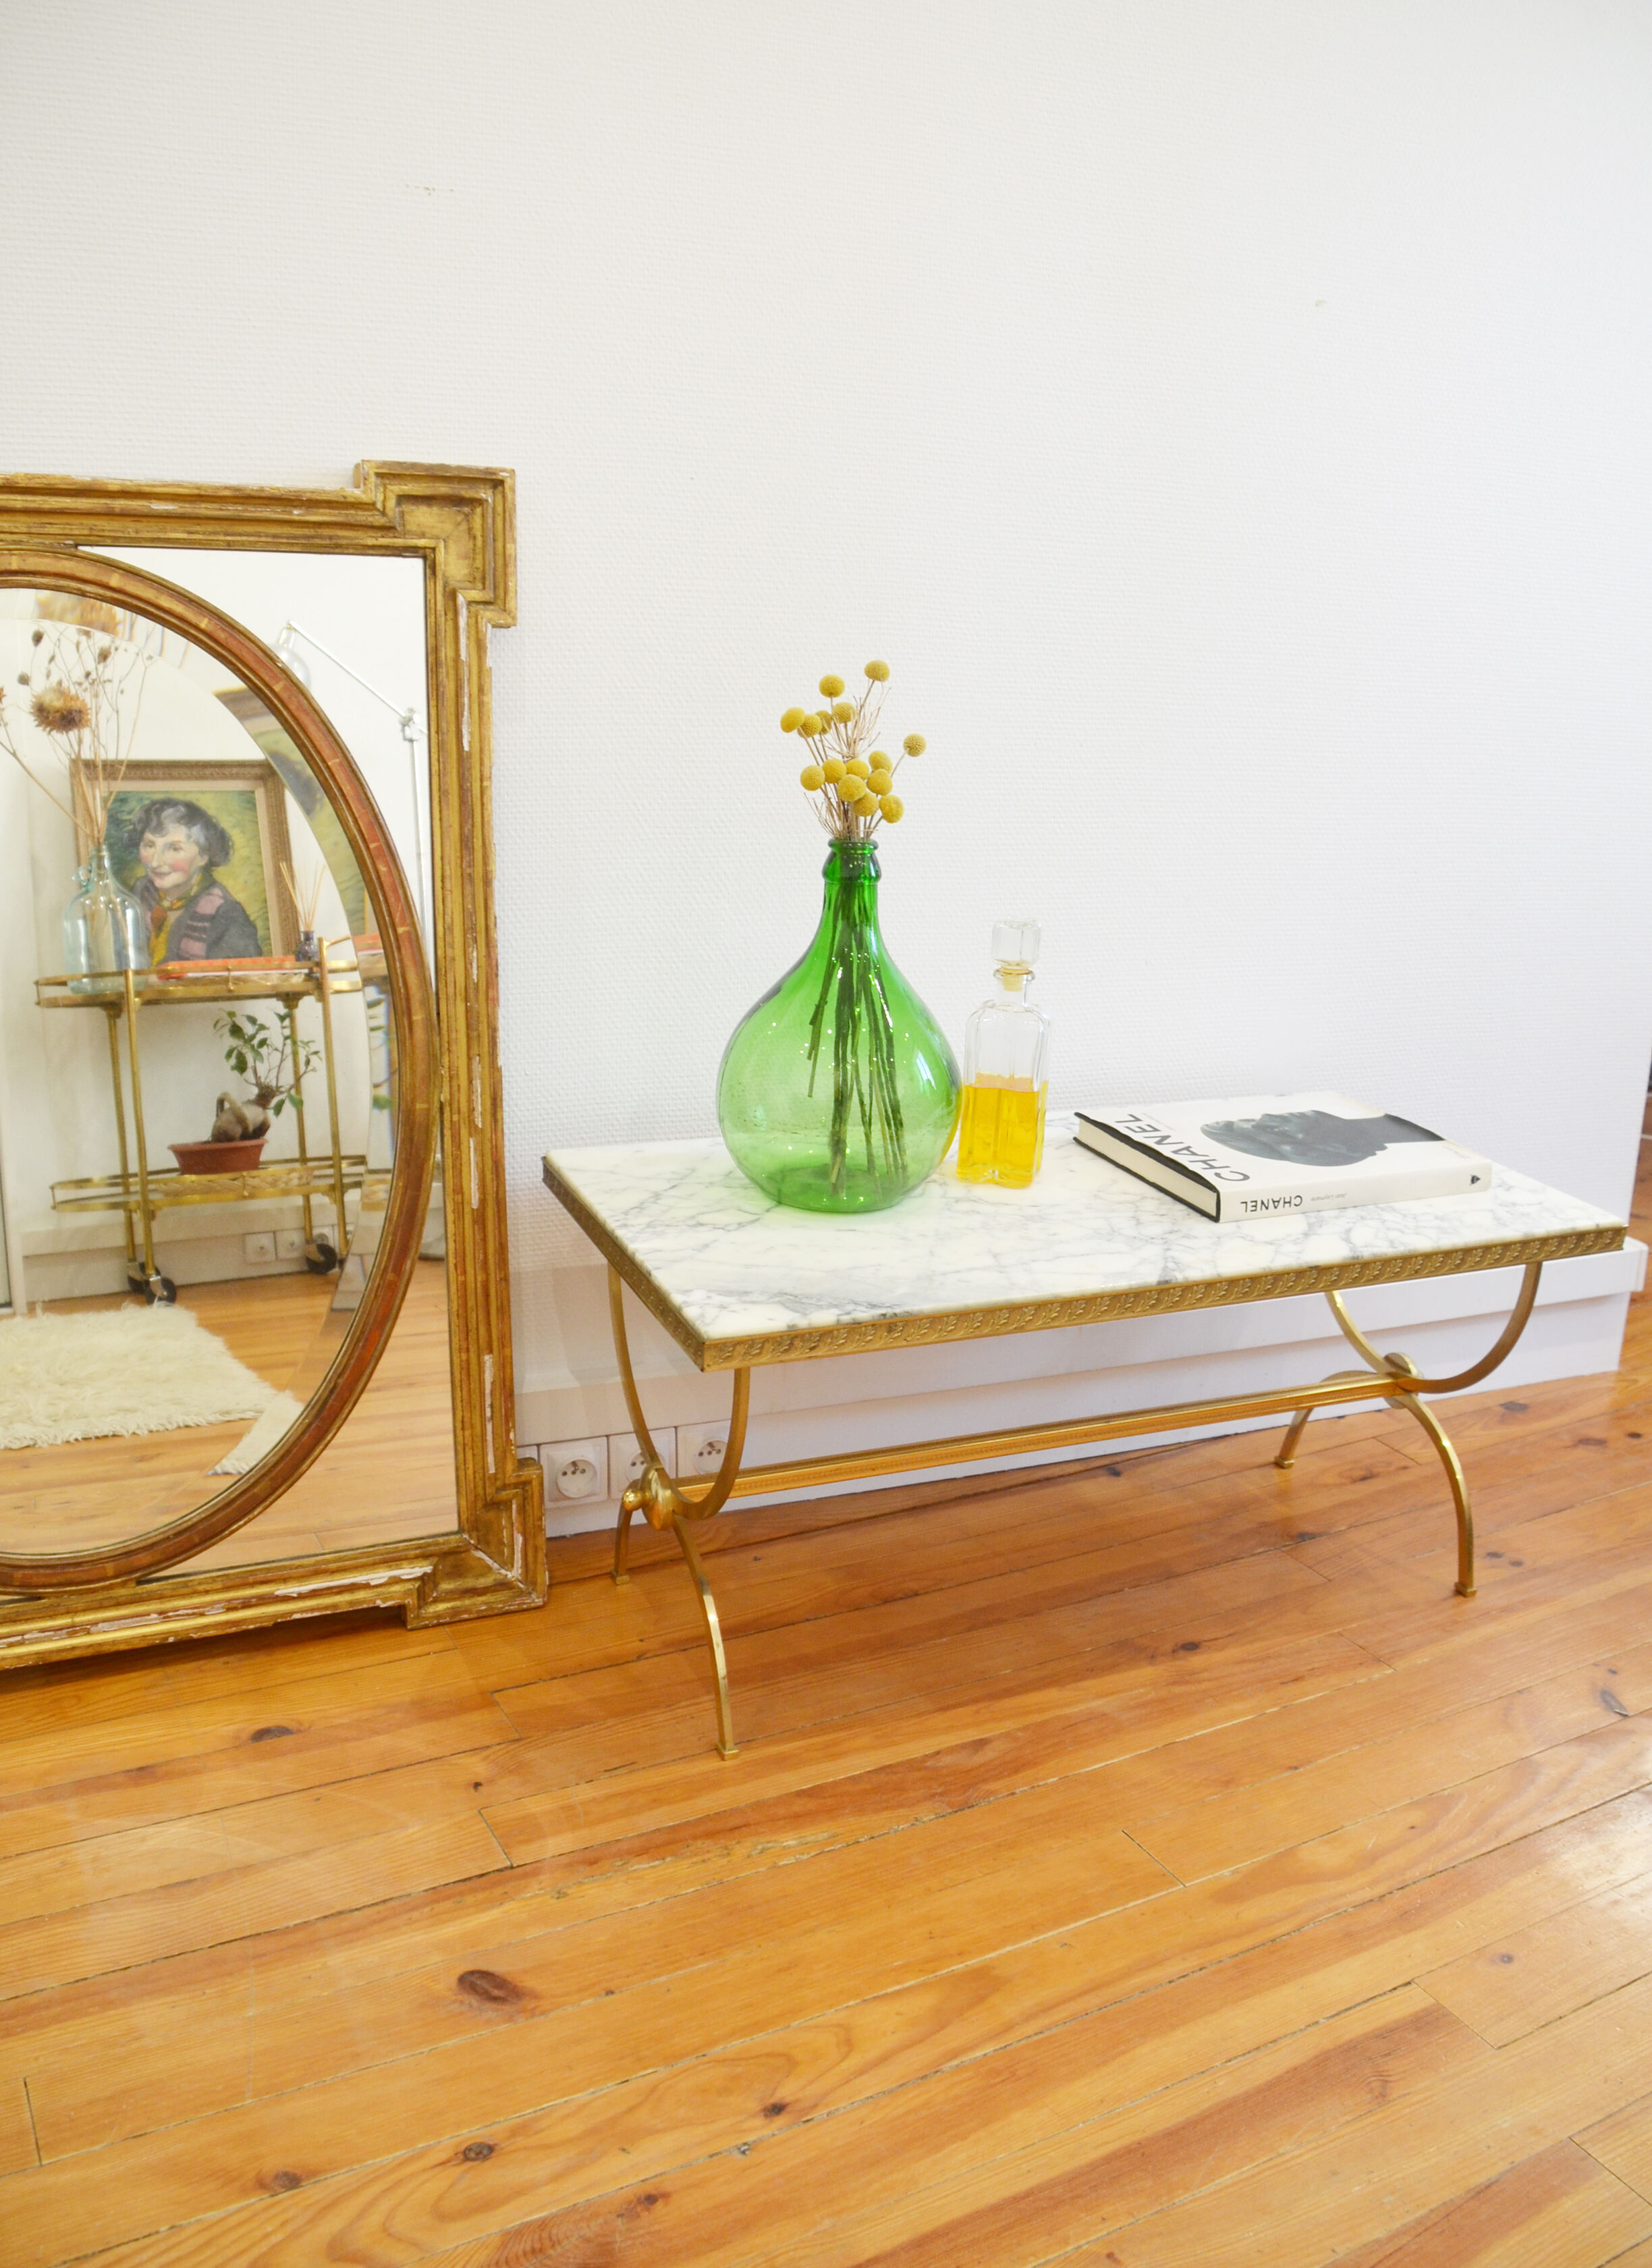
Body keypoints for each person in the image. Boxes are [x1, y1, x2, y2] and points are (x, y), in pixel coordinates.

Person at [121, 797, 263, 963]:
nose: (155, 862)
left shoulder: (227, 915)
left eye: (175, 849)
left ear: (204, 855)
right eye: (149, 846)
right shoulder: (141, 891)